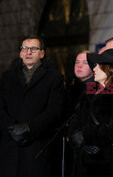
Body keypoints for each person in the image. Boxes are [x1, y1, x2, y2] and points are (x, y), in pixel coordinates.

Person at [0, 35, 65, 177]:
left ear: (42, 53)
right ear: (20, 53)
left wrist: (30, 128)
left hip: (37, 146)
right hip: (9, 147)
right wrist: (11, 127)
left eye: (33, 49)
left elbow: (55, 111)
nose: (28, 52)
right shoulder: (7, 77)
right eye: (24, 48)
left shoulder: (54, 78)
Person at [68, 49, 113, 177]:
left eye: (98, 65)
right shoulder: (90, 90)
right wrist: (76, 135)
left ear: (109, 68)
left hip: (108, 163)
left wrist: (86, 136)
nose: (95, 68)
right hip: (85, 161)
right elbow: (78, 117)